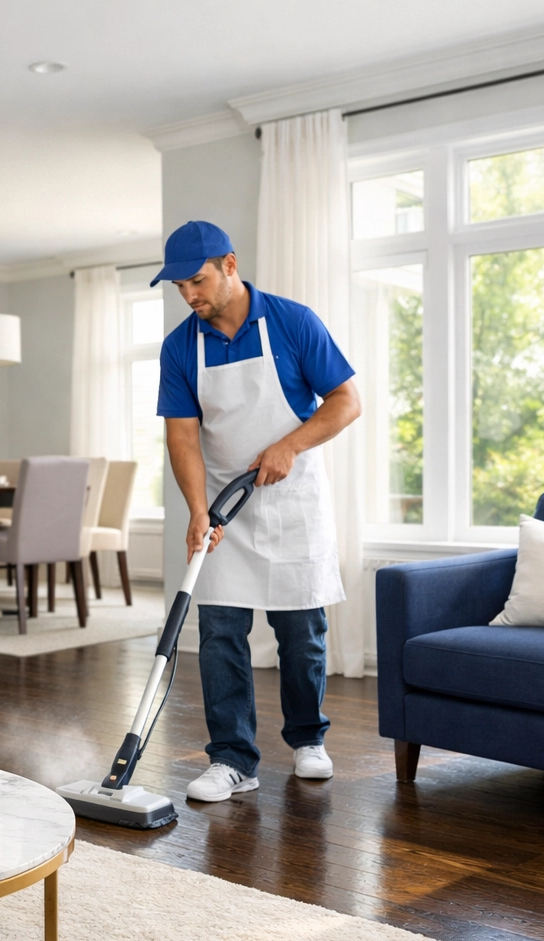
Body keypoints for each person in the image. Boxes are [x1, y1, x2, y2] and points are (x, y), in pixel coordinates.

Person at [152, 220, 361, 800]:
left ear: (230, 265)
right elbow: (183, 438)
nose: (190, 296)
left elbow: (347, 402)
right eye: (179, 287)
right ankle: (233, 759)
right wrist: (198, 510)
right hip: (224, 505)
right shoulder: (180, 347)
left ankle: (308, 740)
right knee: (220, 632)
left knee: (302, 632)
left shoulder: (293, 322)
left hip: (292, 500)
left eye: (197, 281)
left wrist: (289, 444)